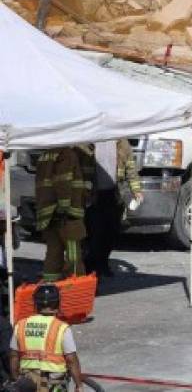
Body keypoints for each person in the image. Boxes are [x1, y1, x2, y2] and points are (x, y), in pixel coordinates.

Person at [9, 284, 83, 392]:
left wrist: (16, 379)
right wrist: (79, 385)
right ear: (58, 303)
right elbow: (71, 360)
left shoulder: (20, 325)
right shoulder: (61, 328)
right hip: (53, 385)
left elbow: (13, 356)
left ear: (35, 304)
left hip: (28, 384)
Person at [85, 139, 142, 277]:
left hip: (113, 194)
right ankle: (90, 266)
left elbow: (131, 168)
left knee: (111, 232)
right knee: (94, 233)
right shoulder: (88, 140)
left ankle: (103, 264)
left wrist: (136, 190)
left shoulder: (122, 142)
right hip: (93, 195)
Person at [35, 147, 92, 281]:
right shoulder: (67, 154)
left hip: (48, 211)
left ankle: (50, 283)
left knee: (54, 251)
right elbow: (63, 181)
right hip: (67, 212)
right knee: (73, 251)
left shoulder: (45, 154)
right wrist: (65, 207)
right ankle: (75, 281)